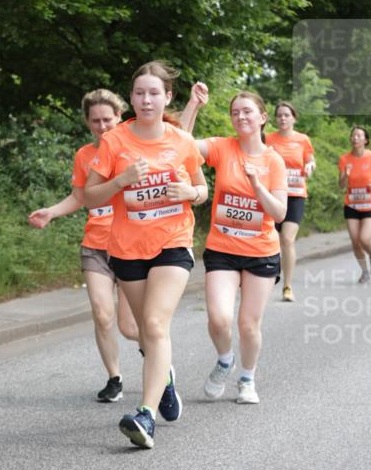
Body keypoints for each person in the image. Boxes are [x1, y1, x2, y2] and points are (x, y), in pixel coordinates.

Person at [84, 62, 207, 449]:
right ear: (131, 98)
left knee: (154, 324)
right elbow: (89, 196)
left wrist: (190, 194)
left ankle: (145, 416)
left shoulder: (181, 140)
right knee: (143, 332)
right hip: (126, 249)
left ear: (167, 97)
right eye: (139, 93)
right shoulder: (114, 142)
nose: (146, 99)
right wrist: (121, 181)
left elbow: (202, 188)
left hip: (173, 241)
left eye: (154, 93)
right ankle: (165, 380)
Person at [28, 89, 139, 402]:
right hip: (96, 247)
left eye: (108, 119)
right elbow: (79, 197)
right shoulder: (84, 156)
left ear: (120, 117)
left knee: (130, 327)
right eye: (96, 121)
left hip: (130, 246)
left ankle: (158, 357)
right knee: (102, 314)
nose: (103, 126)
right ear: (88, 123)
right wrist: (51, 211)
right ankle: (114, 378)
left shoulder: (135, 150)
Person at [181, 83, 287, 405]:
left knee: (248, 324)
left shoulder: (274, 161)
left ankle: (247, 379)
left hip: (261, 253)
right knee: (218, 319)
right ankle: (225, 359)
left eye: (247, 112)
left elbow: (279, 213)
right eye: (235, 112)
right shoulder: (222, 147)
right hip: (223, 250)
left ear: (263, 117)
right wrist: (194, 105)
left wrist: (258, 186)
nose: (240, 117)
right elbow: (179, 145)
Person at [266, 101, 315, 302]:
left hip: (295, 195)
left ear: (294, 118)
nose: (283, 118)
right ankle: (269, 275)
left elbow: (310, 159)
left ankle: (287, 286)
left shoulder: (303, 140)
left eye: (287, 115)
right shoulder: (268, 139)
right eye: (279, 115)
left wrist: (311, 166)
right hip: (273, 195)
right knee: (272, 238)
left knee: (287, 239)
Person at [338, 126, 371, 283]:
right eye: (353, 135)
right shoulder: (345, 159)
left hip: (370, 204)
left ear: (366, 140)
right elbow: (341, 185)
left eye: (359, 135)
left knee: (365, 239)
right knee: (355, 240)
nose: (355, 138)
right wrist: (346, 174)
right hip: (352, 204)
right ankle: (364, 271)